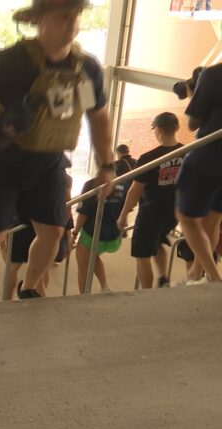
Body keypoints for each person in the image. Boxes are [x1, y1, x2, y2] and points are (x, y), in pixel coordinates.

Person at [0, 0, 115, 299]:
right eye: (63, 16)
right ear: (40, 19)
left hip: (48, 162)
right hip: (0, 162)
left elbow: (97, 116)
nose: (72, 22)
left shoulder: (85, 69)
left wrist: (106, 165)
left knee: (53, 233)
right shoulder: (8, 62)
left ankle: (30, 286)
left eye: (76, 15)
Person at [117, 112, 184, 289]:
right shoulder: (187, 153)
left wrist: (123, 215)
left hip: (150, 214)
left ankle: (146, 295)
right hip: (173, 214)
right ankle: (163, 278)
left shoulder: (148, 158)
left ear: (158, 129)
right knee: (159, 240)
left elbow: (134, 191)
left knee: (142, 255)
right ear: (176, 128)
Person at [176, 62, 222, 284]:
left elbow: (193, 123)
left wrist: (193, 95)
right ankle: (197, 272)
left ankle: (212, 277)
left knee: (185, 217)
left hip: (210, 155)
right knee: (213, 218)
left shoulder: (212, 74)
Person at [74, 177, 126, 294]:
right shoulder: (121, 184)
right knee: (94, 256)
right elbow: (127, 207)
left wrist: (75, 233)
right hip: (112, 234)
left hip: (92, 233)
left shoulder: (91, 184)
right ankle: (104, 287)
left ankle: (84, 296)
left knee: (83, 266)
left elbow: (83, 213)